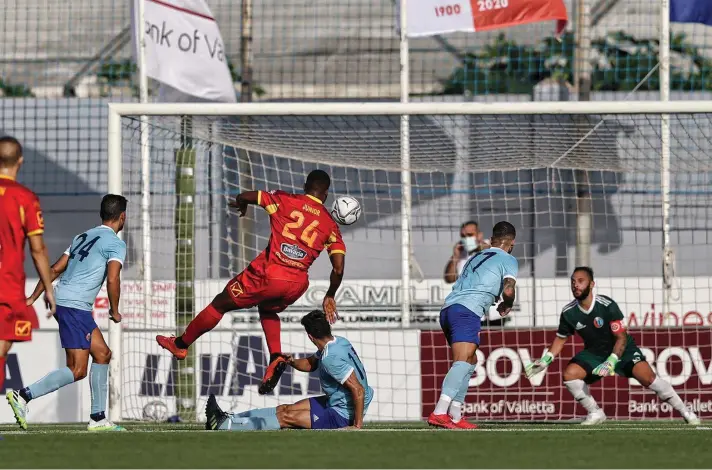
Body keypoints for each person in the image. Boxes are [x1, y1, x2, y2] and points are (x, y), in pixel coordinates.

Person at [157, 169, 346, 395]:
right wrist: (330, 294)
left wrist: (241, 202)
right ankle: (276, 357)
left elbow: (249, 195)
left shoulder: (284, 200)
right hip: (296, 284)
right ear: (325, 195)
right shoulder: (331, 225)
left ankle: (180, 345)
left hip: (268, 274)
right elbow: (338, 268)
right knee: (267, 309)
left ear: (305, 186)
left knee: (220, 304)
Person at [6, 194, 127, 431]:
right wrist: (115, 310)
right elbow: (113, 279)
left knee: (102, 354)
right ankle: (23, 395)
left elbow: (54, 269)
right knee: (77, 369)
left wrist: (33, 295)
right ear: (122, 217)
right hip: (74, 306)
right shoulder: (115, 243)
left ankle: (98, 417)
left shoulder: (82, 236)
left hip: (69, 303)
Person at [525, 266, 700, 426]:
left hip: (623, 350)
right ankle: (595, 413)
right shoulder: (568, 312)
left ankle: (686, 411)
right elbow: (561, 338)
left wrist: (612, 361)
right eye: (573, 282)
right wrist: (546, 360)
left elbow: (621, 338)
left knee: (649, 379)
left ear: (591, 284)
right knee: (570, 374)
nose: (575, 285)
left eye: (580, 281)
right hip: (595, 353)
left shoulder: (606, 306)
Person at [205, 309, 373, 431]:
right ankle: (230, 418)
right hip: (339, 401)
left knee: (286, 418)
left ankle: (225, 425)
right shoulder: (338, 342)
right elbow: (310, 364)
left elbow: (358, 390)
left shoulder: (331, 357)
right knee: (285, 409)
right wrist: (291, 361)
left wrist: (356, 426)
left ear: (310, 336)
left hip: (344, 412)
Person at [429, 221, 518, 429]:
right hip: (466, 311)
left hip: (450, 309)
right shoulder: (508, 259)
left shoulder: (475, 256)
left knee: (470, 360)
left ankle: (455, 414)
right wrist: (508, 303)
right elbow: (509, 289)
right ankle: (439, 412)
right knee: (463, 358)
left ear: (492, 239)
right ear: (511, 243)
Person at [0, 136, 55, 395]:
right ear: (20, 160)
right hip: (6, 285)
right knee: (2, 344)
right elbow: (38, 249)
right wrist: (49, 290)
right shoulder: (25, 198)